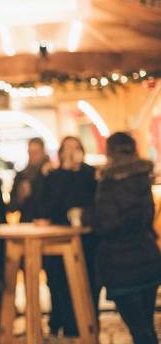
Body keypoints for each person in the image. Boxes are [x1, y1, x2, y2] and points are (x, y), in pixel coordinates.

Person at [93, 132, 161, 344]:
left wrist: (86, 216)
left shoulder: (108, 182)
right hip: (147, 259)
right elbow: (145, 217)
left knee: (138, 330)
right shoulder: (142, 178)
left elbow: (106, 223)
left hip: (119, 265)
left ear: (110, 151)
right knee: (147, 327)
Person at [37, 136, 99, 339]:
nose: (72, 152)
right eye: (67, 148)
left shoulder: (90, 174)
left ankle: (87, 326)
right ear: (61, 152)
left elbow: (92, 203)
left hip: (86, 241)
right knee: (59, 283)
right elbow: (49, 205)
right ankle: (62, 324)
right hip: (58, 241)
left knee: (86, 283)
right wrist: (62, 172)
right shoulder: (53, 176)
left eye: (76, 148)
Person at [8, 137, 50, 222]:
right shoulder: (21, 176)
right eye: (30, 152)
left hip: (47, 223)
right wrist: (20, 196)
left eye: (36, 152)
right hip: (27, 223)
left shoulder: (51, 173)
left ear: (43, 152)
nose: (32, 156)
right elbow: (12, 207)